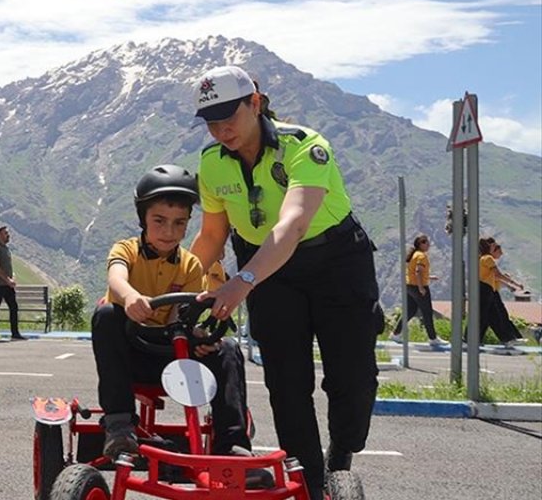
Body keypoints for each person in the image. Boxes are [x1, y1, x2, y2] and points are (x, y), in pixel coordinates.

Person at [187, 65, 382, 500]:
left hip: (335, 261)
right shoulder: (211, 163)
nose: (221, 130)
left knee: (351, 377)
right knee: (286, 380)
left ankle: (341, 458)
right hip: (270, 272)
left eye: (229, 117)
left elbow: (293, 223)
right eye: (211, 122)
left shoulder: (304, 146)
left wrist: (242, 282)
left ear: (255, 103)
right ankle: (309, 482)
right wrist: (180, 284)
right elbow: (213, 237)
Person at [92, 165, 256, 463]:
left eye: (179, 223)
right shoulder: (126, 250)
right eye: (159, 221)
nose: (169, 232)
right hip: (130, 356)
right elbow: (116, 276)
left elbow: (179, 319)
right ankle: (119, 427)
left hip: (169, 353)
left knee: (228, 348)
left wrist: (199, 338)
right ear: (143, 218)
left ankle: (232, 442)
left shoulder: (191, 265)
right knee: (106, 315)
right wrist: (130, 298)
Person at [390, 235, 445, 347]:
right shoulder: (421, 256)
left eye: (427, 241)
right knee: (427, 312)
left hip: (410, 286)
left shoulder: (414, 255)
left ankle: (396, 333)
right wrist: (421, 287)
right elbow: (418, 272)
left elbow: (415, 272)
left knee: (410, 310)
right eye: (425, 242)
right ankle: (433, 338)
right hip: (418, 287)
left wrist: (429, 277)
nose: (428, 244)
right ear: (420, 244)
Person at [472, 237, 527, 347]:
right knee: (484, 316)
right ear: (487, 246)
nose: (495, 246)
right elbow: (497, 275)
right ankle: (469, 339)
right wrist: (513, 283)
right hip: (485, 289)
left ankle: (506, 338)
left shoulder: (483, 258)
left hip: (487, 289)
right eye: (493, 245)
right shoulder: (487, 258)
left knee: (491, 316)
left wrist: (509, 285)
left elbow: (494, 276)